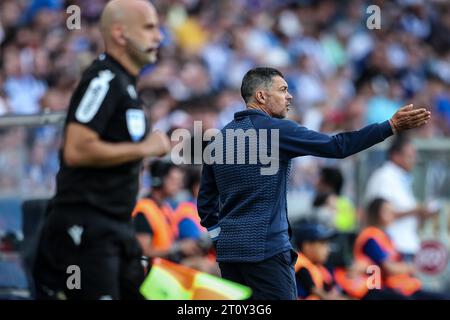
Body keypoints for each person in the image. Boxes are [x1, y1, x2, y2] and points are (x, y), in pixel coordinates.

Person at [197, 67, 431, 300]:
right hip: (267, 251)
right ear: (261, 96)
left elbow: (206, 202)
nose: (289, 96)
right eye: (283, 90)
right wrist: (388, 127)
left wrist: (219, 238)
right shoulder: (277, 130)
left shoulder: (219, 139)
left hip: (230, 255)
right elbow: (338, 146)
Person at [33, 0, 170, 300]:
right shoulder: (103, 79)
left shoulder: (128, 87)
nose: (159, 36)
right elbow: (76, 149)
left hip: (117, 227)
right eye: (149, 27)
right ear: (120, 34)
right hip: (86, 226)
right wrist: (144, 148)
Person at [354, 198, 449, 300]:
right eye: (387, 211)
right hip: (375, 290)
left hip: (398, 287)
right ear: (377, 213)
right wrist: (409, 268)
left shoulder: (385, 236)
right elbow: (389, 268)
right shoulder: (370, 238)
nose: (392, 214)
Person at [364, 135, 436, 261]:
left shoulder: (401, 178)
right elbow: (381, 213)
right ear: (395, 156)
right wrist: (416, 210)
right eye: (410, 156)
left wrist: (420, 213)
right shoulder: (384, 176)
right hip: (392, 247)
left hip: (406, 245)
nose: (414, 160)